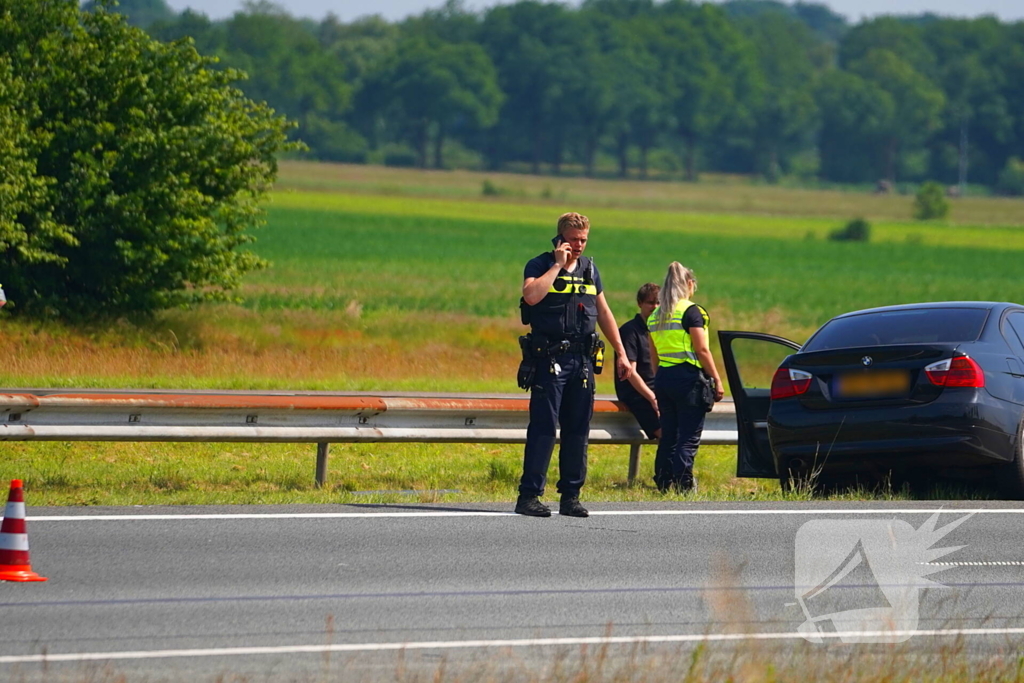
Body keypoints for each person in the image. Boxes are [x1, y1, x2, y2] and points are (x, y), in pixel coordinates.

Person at [516, 212, 632, 518]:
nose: (579, 245)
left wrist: (620, 351)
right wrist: (557, 264)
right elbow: (530, 296)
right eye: (574, 239)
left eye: (583, 240)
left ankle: (570, 496)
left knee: (578, 429)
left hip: (581, 361)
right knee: (543, 427)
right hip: (550, 359)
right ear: (560, 237)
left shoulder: (590, 269)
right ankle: (529, 496)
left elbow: (604, 313)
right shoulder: (540, 264)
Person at [647, 262, 724, 493]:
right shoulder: (693, 311)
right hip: (688, 379)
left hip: (663, 378)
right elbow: (702, 350)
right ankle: (684, 485)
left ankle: (663, 482)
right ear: (689, 284)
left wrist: (660, 379)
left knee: (668, 435)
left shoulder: (655, 315)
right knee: (688, 438)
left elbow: (653, 358)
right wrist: (717, 379)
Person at [614, 283, 661, 440]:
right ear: (640, 303)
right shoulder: (630, 331)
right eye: (650, 302)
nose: (655, 307)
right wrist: (653, 398)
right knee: (666, 434)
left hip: (656, 389)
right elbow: (630, 373)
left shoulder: (661, 330)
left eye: (658, 303)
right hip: (635, 392)